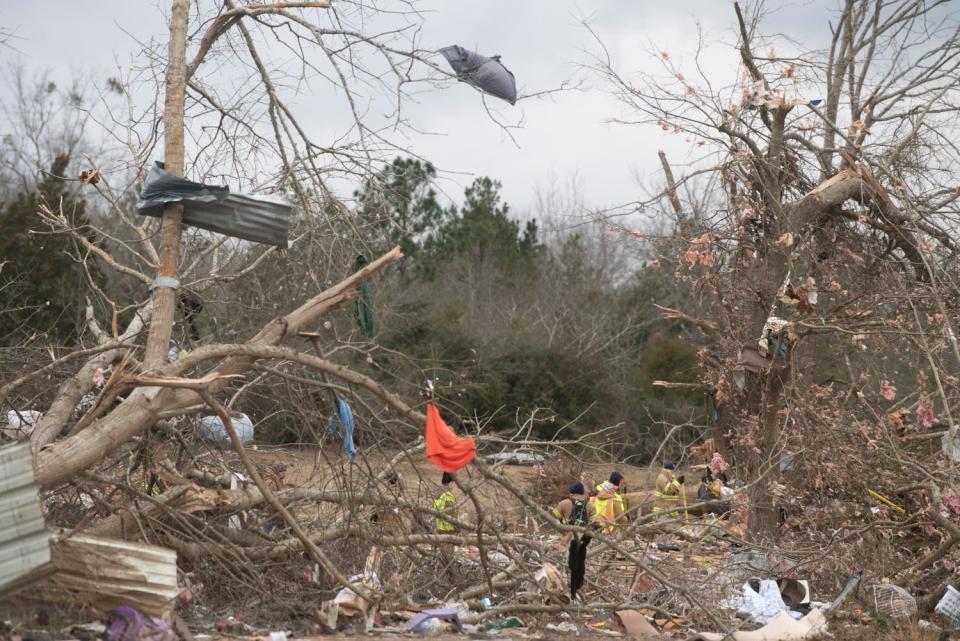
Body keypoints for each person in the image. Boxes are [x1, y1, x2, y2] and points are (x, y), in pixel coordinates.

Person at [553, 481, 591, 601]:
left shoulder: (565, 503)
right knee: (579, 565)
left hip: (568, 540)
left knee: (568, 566)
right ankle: (577, 587)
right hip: (584, 541)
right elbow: (596, 524)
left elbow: (554, 519)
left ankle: (567, 590)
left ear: (571, 493)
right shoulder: (590, 505)